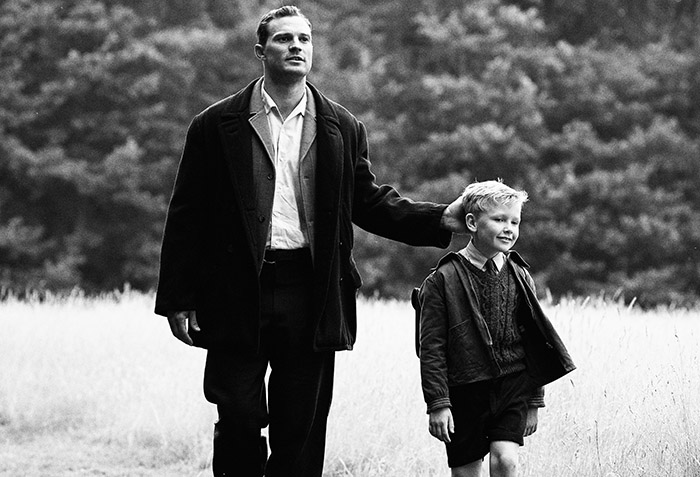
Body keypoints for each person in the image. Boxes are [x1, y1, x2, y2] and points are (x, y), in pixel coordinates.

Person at [154, 5, 466, 477]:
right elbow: (186, 214)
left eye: (304, 38)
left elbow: (369, 202)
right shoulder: (214, 125)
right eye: (284, 39)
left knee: (300, 425)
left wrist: (439, 218)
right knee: (238, 413)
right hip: (235, 290)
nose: (296, 46)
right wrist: (178, 296)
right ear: (261, 51)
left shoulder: (342, 126)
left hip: (312, 290)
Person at [415, 180, 576, 477]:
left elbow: (534, 338)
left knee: (506, 461)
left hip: (512, 384)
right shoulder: (442, 279)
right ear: (472, 223)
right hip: (465, 389)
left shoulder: (520, 274)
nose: (509, 229)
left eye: (515, 222)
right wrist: (438, 403)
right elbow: (432, 348)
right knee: (466, 472)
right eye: (500, 220)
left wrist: (534, 400)